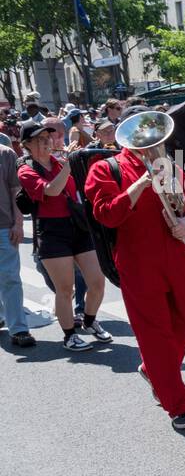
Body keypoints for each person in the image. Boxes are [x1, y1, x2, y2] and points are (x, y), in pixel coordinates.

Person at [85, 127, 185, 429]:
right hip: (138, 261)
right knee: (155, 334)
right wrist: (140, 183)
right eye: (146, 140)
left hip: (176, 255)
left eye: (156, 139)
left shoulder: (170, 166)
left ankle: (155, 370)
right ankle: (177, 404)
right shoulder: (104, 168)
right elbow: (107, 214)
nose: (153, 145)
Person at [16, 120, 110, 351]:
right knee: (65, 289)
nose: (48, 142)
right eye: (40, 139)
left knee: (97, 281)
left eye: (48, 138)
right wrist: (68, 165)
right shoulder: (25, 169)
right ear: (27, 145)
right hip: (51, 231)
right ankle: (69, 336)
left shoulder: (59, 162)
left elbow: (82, 187)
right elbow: (51, 191)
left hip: (77, 226)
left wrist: (80, 162)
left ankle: (88, 321)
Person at [0, 134, 34, 348]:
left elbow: (15, 191)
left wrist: (19, 223)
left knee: (11, 277)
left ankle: (19, 329)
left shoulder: (5, 153)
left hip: (4, 225)